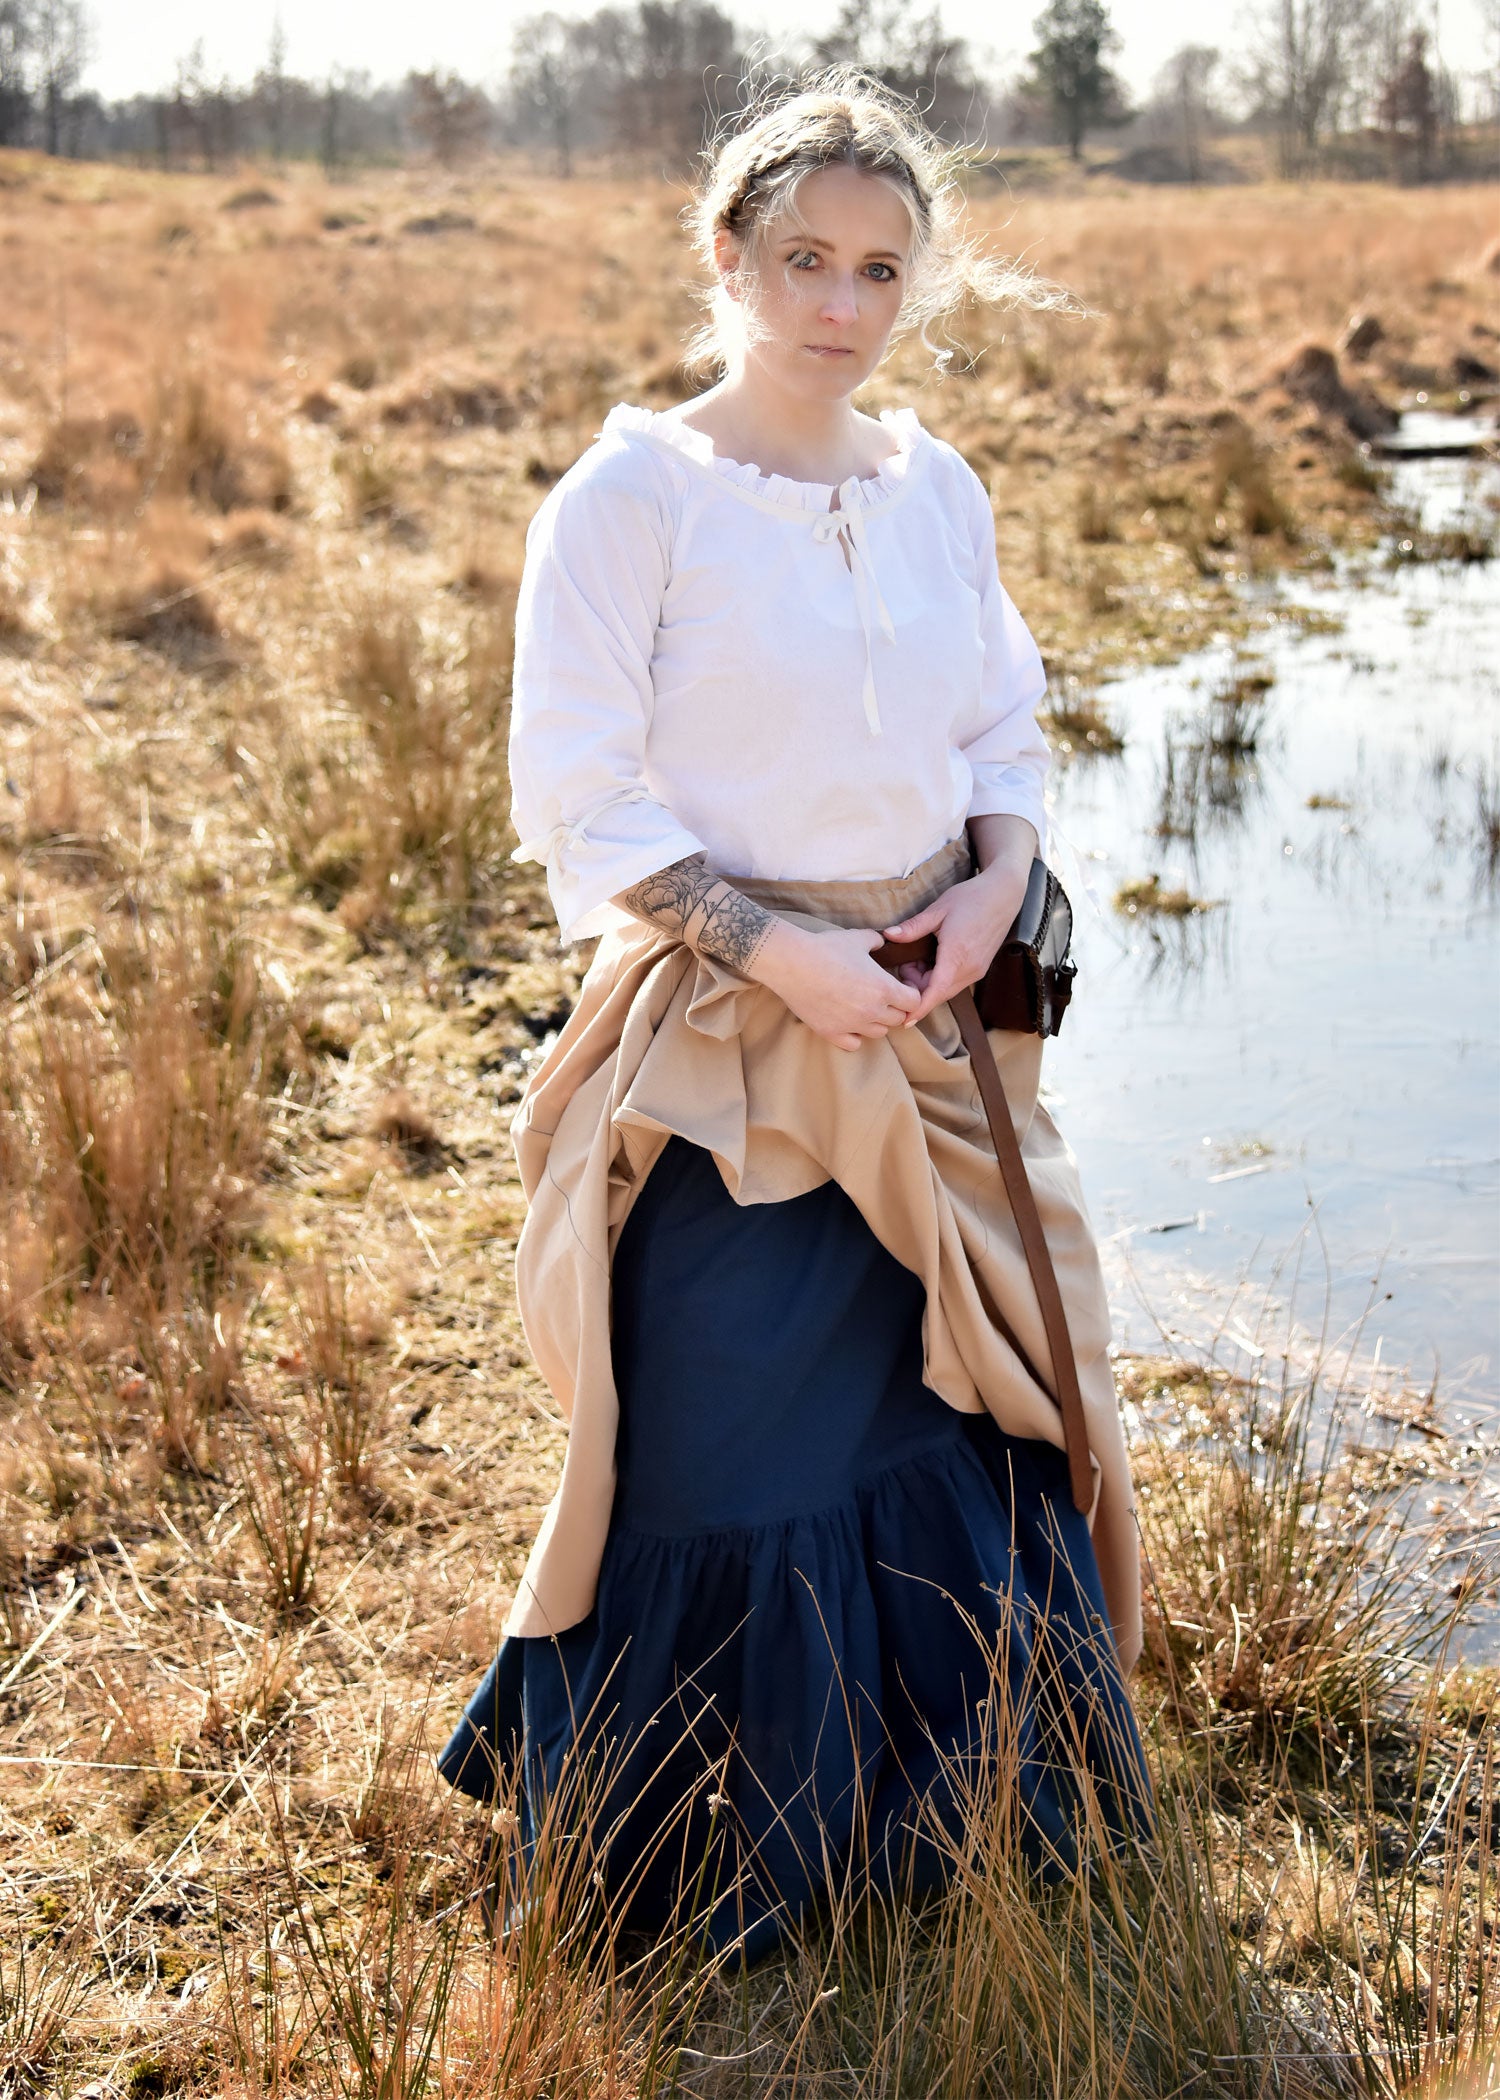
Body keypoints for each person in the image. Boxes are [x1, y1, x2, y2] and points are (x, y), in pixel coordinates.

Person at [438, 73, 1155, 1961]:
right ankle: (693, 1864)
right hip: (730, 1036)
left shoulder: (939, 488)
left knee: (990, 1388)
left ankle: (970, 1829)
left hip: (929, 1015)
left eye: (882, 269)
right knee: (714, 1434)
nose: (842, 305)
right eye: (806, 260)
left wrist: (994, 880)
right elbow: (579, 797)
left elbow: (1002, 721)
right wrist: (777, 952)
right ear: (729, 257)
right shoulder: (632, 494)